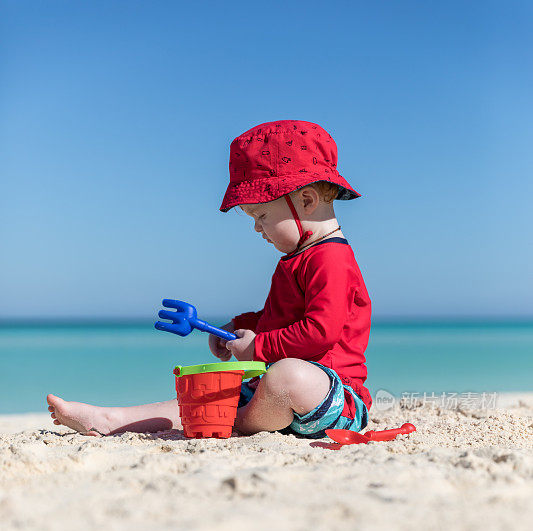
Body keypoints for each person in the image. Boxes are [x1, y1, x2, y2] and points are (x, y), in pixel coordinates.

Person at [47, 119, 372, 438]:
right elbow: (279, 318)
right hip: (276, 399)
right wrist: (236, 327)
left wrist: (258, 346)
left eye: (261, 215)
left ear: (306, 201)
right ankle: (109, 419)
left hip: (334, 400)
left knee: (286, 376)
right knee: (207, 395)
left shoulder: (331, 259)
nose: (257, 228)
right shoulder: (295, 260)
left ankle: (238, 422)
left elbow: (320, 331)